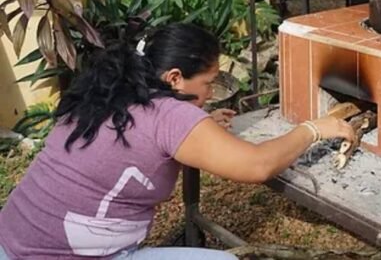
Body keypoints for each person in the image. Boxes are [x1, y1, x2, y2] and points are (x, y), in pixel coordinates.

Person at [0, 23, 355, 259]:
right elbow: (257, 165)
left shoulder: (109, 93)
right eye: (208, 83)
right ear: (174, 78)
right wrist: (313, 129)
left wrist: (201, 127)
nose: (211, 93)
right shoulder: (169, 115)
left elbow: (138, 146)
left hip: (13, 242)